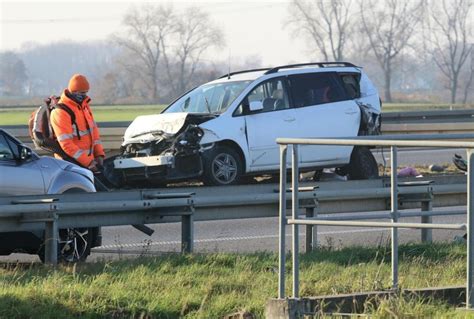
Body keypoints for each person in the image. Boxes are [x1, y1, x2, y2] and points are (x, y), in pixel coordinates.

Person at [50, 74, 105, 172]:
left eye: (86, 92)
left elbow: (94, 134)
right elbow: (66, 144)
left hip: (87, 164)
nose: (84, 95)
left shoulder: (84, 107)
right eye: (82, 93)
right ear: (73, 91)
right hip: (69, 165)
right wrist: (88, 162)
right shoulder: (61, 112)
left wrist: (99, 154)